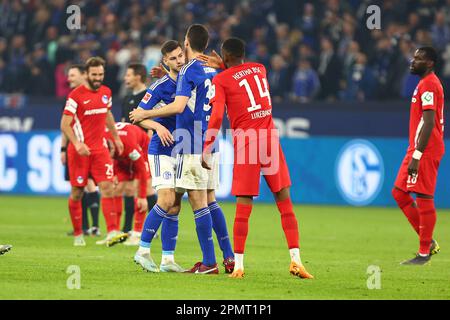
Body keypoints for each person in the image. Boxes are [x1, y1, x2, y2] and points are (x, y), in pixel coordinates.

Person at [200, 37, 314, 279]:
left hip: (248, 143)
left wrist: (208, 144)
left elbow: (218, 114)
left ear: (226, 57)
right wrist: (224, 65)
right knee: (285, 203)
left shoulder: (221, 79)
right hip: (271, 140)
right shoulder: (260, 68)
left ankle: (239, 265)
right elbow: (242, 79)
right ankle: (296, 261)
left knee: (244, 206)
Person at [130, 25, 234, 274]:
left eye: (180, 54)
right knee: (183, 201)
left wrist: (148, 114)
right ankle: (152, 252)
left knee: (195, 202)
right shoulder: (216, 68)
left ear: (186, 43)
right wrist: (154, 124)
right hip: (199, 141)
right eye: (172, 58)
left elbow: (177, 107)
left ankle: (206, 262)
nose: (178, 59)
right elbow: (136, 117)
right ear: (165, 62)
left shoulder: (189, 72)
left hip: (191, 143)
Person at [60, 56, 127, 247]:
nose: (98, 78)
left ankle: (112, 231)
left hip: (100, 150)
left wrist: (115, 138)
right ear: (86, 74)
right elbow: (64, 124)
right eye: (94, 75)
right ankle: (78, 233)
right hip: (80, 152)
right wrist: (76, 144)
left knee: (107, 188)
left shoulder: (106, 92)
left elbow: (107, 114)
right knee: (77, 192)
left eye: (101, 74)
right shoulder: (75, 95)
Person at [392, 47, 445, 265]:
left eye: (419, 58)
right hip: (416, 148)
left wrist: (417, 154)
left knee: (423, 197)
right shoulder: (423, 83)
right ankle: (428, 241)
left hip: (426, 149)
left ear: (430, 63)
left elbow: (430, 121)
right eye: (414, 57)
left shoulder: (430, 84)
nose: (413, 61)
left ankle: (424, 253)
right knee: (399, 193)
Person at [61, 64, 101, 237]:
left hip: (90, 148)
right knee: (80, 186)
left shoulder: (93, 94)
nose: (68, 78)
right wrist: (64, 148)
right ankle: (84, 226)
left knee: (89, 185)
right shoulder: (73, 97)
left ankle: (94, 226)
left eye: (72, 75)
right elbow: (66, 125)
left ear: (83, 75)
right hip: (76, 148)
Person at [120, 63, 157, 233]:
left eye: (128, 75)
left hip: (143, 147)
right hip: (129, 148)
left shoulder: (149, 95)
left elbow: (154, 121)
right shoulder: (127, 98)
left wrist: (150, 143)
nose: (125, 78)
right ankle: (127, 227)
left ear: (138, 76)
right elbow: (123, 122)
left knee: (146, 186)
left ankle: (154, 227)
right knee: (128, 188)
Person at [105, 122, 149, 246]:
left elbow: (142, 171)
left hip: (143, 150)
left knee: (137, 188)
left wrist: (142, 196)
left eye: (111, 154)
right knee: (116, 189)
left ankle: (137, 233)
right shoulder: (104, 139)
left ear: (113, 148)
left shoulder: (130, 147)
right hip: (122, 156)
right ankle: (116, 232)